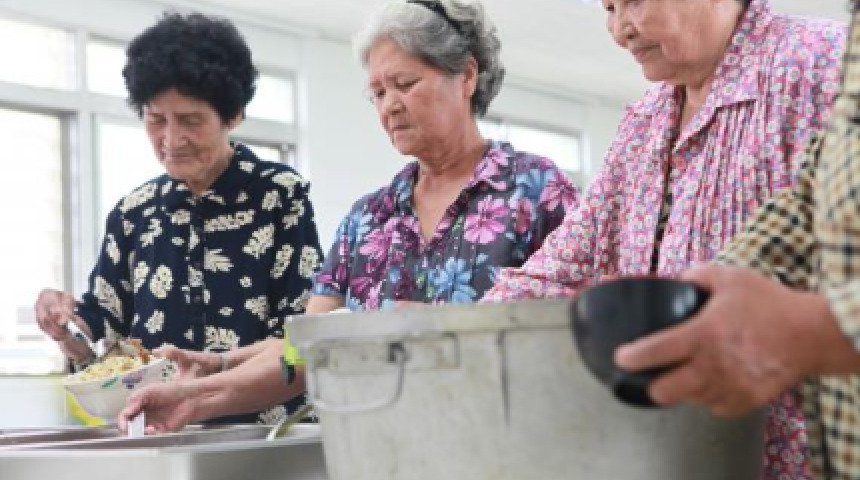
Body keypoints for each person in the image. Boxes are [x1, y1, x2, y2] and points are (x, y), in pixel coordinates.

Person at [117, 0, 579, 433]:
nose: (389, 105)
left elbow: (580, 331)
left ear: (467, 76)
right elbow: (302, 352)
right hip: (382, 453)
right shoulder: (369, 220)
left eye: (405, 84)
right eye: (377, 92)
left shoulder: (535, 190)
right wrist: (199, 393)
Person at [480, 0, 845, 478]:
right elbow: (565, 264)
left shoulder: (821, 65)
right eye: (608, 8)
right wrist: (453, 328)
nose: (619, 30)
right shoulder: (645, 120)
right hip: (675, 454)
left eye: (631, 1)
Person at [34, 12, 323, 425]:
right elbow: (102, 342)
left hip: (263, 433)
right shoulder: (133, 213)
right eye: (156, 120)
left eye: (190, 121)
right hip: (161, 432)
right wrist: (65, 326)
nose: (171, 140)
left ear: (233, 115)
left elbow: (302, 334)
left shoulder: (280, 196)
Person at [614, 5, 860, 477]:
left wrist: (814, 330)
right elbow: (812, 195)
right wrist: (706, 295)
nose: (620, 27)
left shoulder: (813, 57)